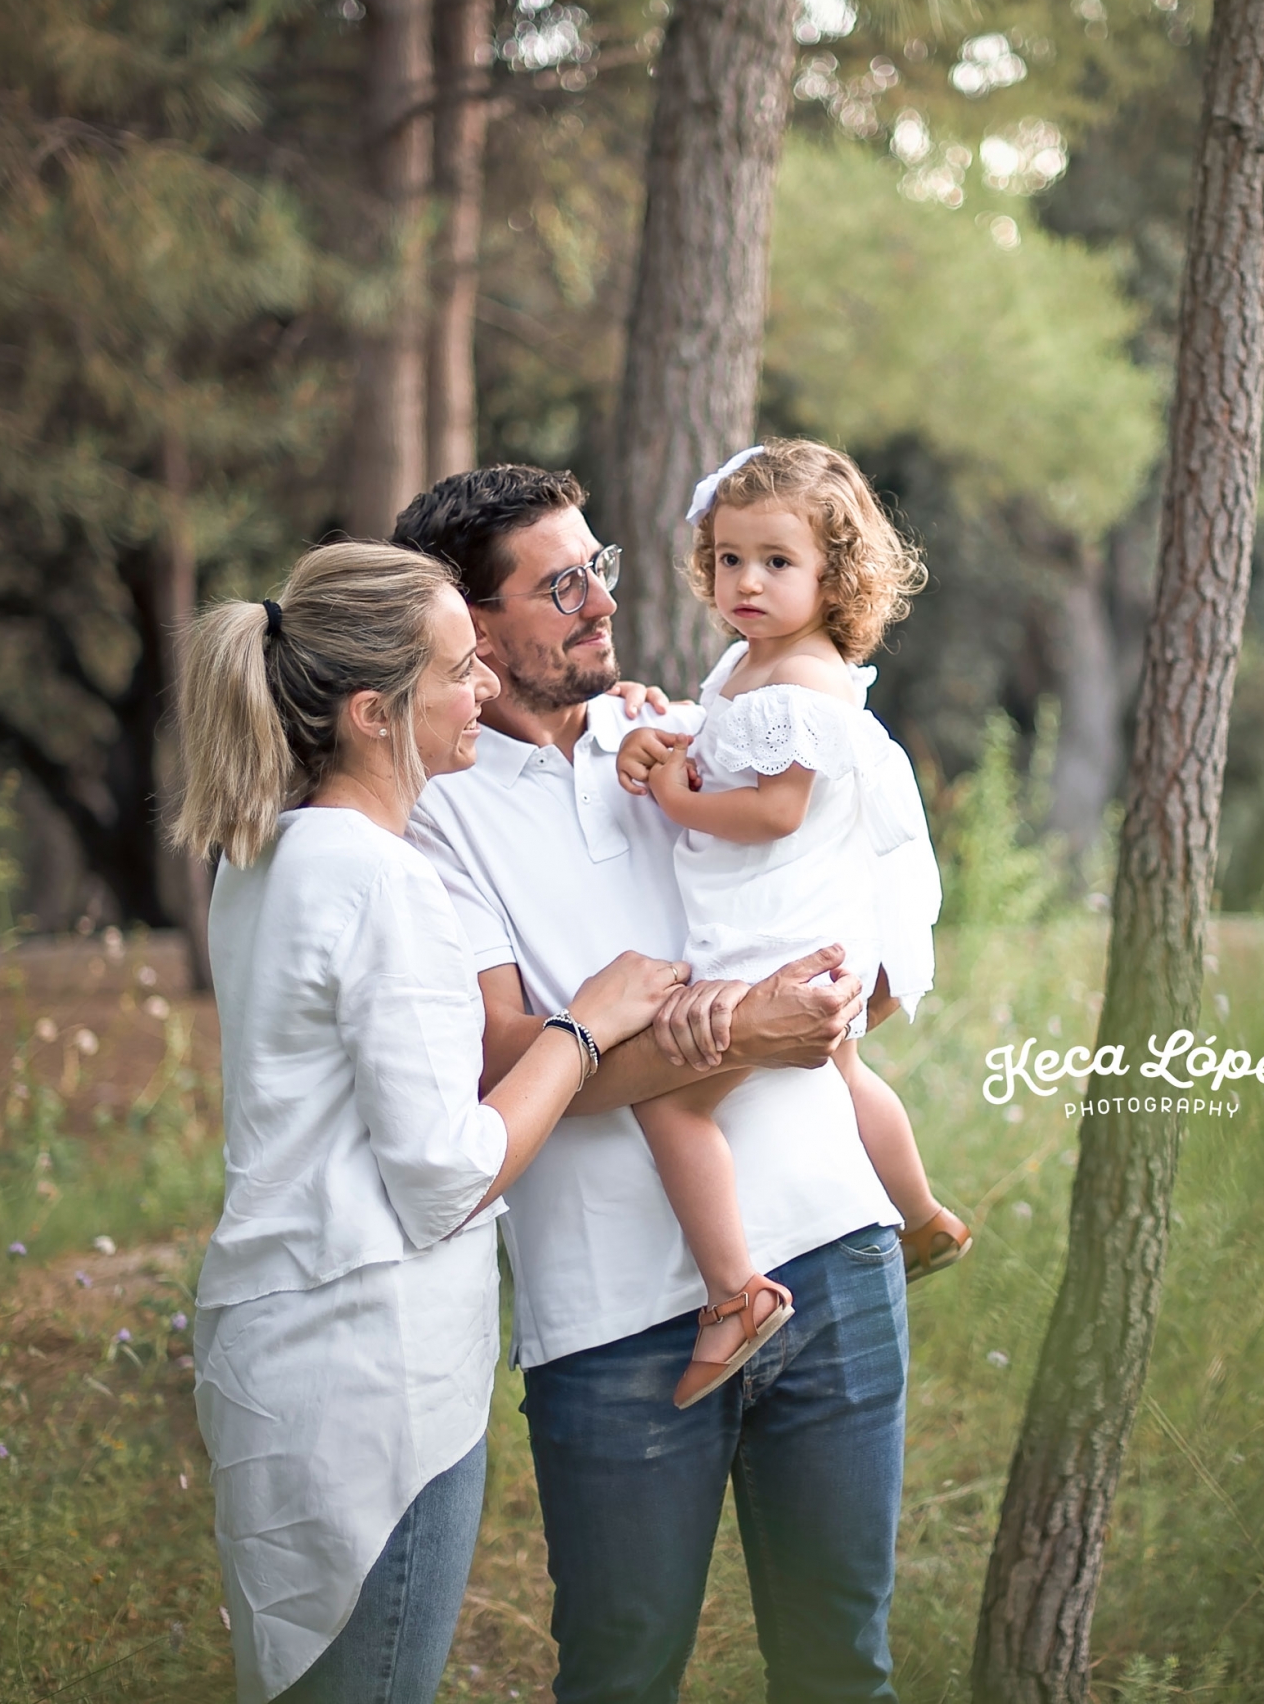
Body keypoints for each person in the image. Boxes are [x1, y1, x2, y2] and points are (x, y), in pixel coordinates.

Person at [395, 466, 912, 1703]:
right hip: (617, 1323)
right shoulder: (433, 816)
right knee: (622, 1679)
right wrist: (745, 1027)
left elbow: (866, 914)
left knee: (845, 1667)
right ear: (469, 623)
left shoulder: (675, 731)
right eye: (558, 583)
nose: (597, 602)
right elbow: (511, 1066)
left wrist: (844, 991)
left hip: (835, 1255)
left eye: (599, 567)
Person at [172, 540, 679, 1704]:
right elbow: (447, 1177)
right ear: (369, 712)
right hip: (368, 1371)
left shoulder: (267, 856)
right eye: (459, 671)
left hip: (291, 1343)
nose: (486, 689)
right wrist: (585, 1025)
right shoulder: (378, 879)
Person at [612, 440, 970, 1409]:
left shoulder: (805, 676)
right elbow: (720, 740)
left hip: (773, 931)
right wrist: (667, 736)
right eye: (729, 558)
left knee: (669, 1098)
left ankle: (734, 1294)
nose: (747, 581)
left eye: (776, 561)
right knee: (846, 1068)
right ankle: (923, 1213)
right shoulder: (746, 661)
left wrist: (676, 801)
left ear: (833, 572)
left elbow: (772, 807)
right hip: (766, 911)